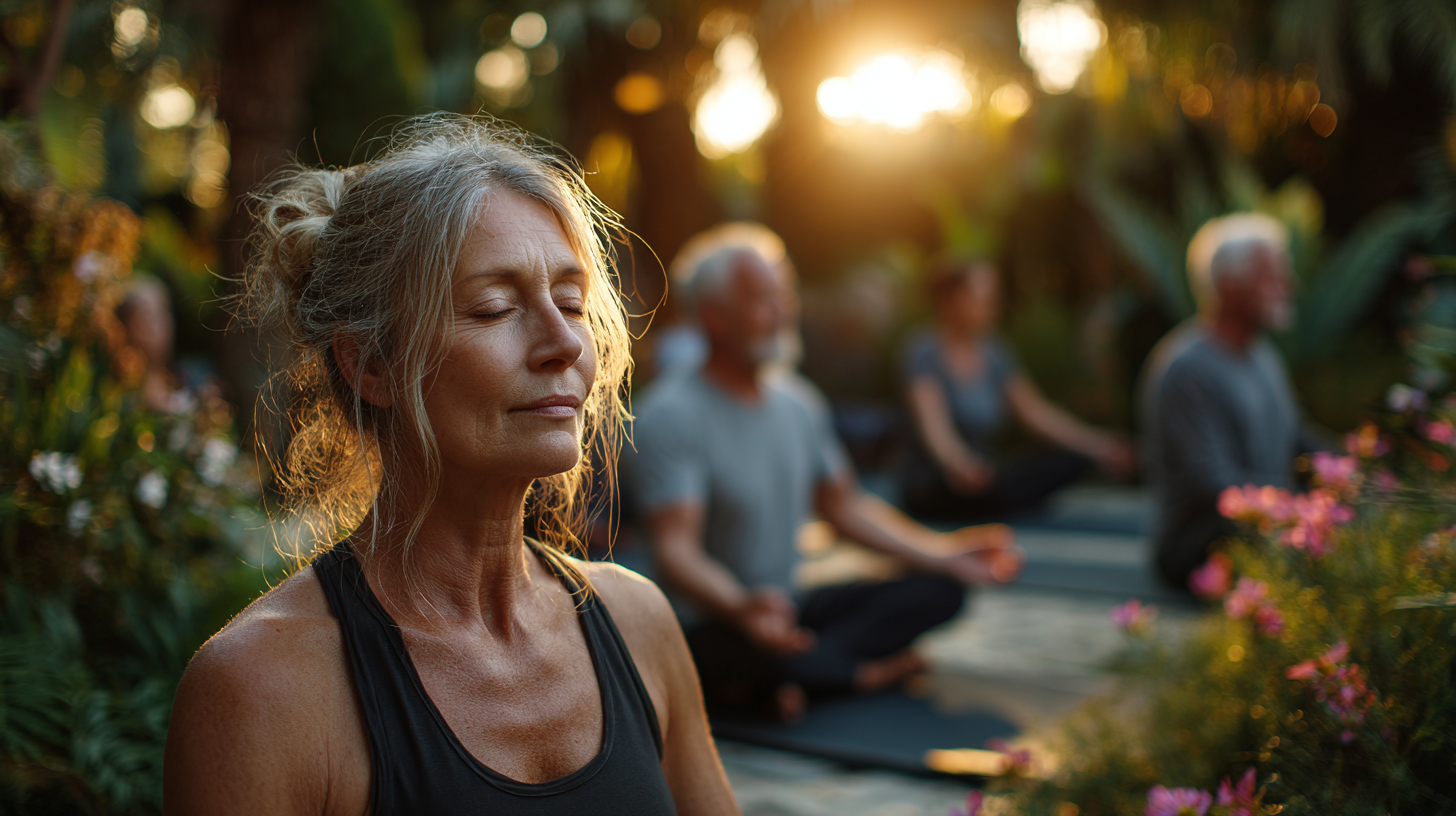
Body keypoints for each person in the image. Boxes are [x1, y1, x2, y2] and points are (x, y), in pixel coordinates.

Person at [163, 116, 738, 815]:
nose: (562, 343)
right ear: (372, 363)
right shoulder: (262, 688)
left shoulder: (637, 619)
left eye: (571, 302)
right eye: (495, 309)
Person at [627, 226, 1023, 723]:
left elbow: (845, 507)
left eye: (783, 294)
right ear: (714, 316)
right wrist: (741, 607)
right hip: (710, 619)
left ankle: (795, 679)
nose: (782, 310)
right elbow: (675, 550)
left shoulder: (799, 403)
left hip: (787, 609)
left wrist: (945, 555)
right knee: (702, 653)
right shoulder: (669, 414)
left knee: (939, 590)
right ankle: (847, 673)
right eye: (761, 299)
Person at [1140, 213, 1321, 589]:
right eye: (1269, 275)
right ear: (1228, 286)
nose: (1287, 284)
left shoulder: (1263, 356)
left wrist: (1358, 474)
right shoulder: (1187, 369)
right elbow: (1216, 486)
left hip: (1266, 520)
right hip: (1198, 546)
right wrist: (1306, 506)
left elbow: (1297, 439)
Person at [898, 260, 1135, 521]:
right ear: (949, 300)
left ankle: (992, 499)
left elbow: (1035, 412)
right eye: (981, 299)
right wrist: (958, 463)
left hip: (983, 476)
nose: (992, 307)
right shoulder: (923, 351)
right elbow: (936, 429)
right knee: (981, 489)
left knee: (1066, 462)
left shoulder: (994, 351)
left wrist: (1099, 446)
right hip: (940, 480)